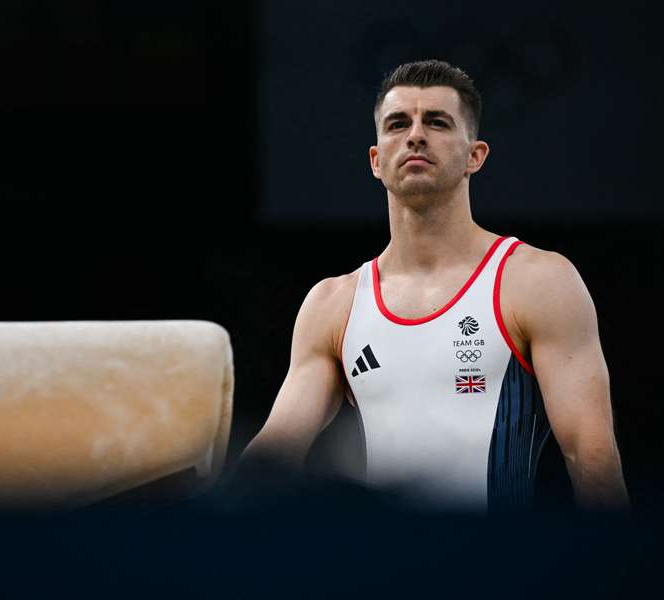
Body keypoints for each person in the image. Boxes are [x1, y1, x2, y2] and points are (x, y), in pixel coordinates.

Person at [237, 59, 630, 513]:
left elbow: (592, 456)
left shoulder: (534, 281)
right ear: (376, 160)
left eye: (438, 122)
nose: (416, 135)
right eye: (398, 123)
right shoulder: (334, 304)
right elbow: (276, 451)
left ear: (475, 155)